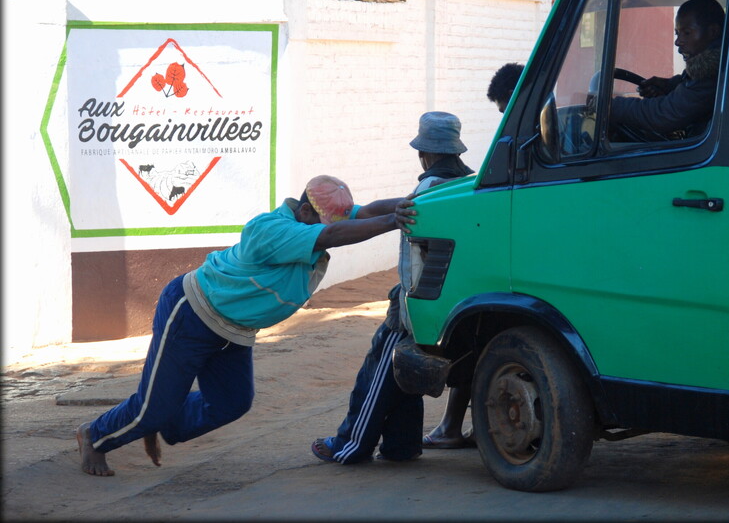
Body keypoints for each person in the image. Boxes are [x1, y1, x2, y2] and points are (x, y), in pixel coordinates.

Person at [76, 176, 416, 476]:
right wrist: (393, 221)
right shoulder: (271, 230)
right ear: (304, 211)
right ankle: (95, 436)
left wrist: (413, 205)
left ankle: (157, 416)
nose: (325, 228)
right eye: (320, 221)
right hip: (192, 313)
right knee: (154, 407)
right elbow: (335, 233)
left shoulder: (314, 215)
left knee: (231, 403)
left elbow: (367, 212)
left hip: (233, 330)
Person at [311, 111, 474, 464]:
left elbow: (414, 253)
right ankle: (401, 445)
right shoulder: (467, 185)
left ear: (424, 154)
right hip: (454, 299)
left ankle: (350, 445)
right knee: (406, 374)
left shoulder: (427, 191)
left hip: (417, 301)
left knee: (379, 371)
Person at [421, 63, 524, 450]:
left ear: (424, 154)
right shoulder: (467, 177)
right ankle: (465, 426)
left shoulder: (431, 188)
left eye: (505, 109)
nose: (506, 119)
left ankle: (448, 427)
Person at [610, 0, 724, 142]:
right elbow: (689, 84)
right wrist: (668, 86)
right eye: (677, 33)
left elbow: (663, 115)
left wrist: (612, 107)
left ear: (713, 32)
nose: (678, 41)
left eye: (687, 33)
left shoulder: (713, 72)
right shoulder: (713, 65)